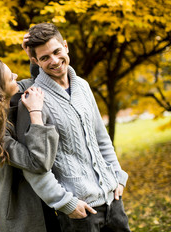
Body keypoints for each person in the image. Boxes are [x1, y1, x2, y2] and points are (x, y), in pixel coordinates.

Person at [16, 23, 131, 231]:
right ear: (35, 61)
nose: (54, 61)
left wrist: (118, 176)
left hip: (113, 201)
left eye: (57, 51)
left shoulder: (83, 86)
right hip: (80, 213)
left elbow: (101, 138)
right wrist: (65, 203)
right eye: (44, 58)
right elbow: (35, 166)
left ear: (66, 46)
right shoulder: (33, 100)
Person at [0, 57, 60, 232]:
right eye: (10, 77)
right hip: (23, 212)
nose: (16, 75)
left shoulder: (15, 97)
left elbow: (37, 80)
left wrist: (33, 57)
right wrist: (35, 113)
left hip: (49, 197)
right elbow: (37, 162)